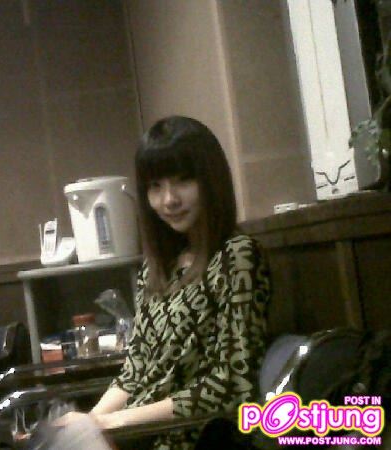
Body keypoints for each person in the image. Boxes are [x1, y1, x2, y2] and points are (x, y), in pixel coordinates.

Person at [54, 116, 270, 449]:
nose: (169, 199)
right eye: (155, 186)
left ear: (210, 181)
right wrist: (89, 424)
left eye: (183, 180)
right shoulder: (157, 268)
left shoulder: (237, 256)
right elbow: (135, 368)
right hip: (139, 433)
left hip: (193, 435)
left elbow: (231, 384)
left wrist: (111, 424)